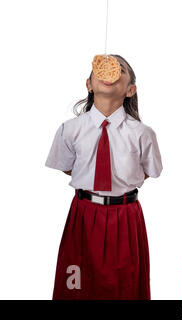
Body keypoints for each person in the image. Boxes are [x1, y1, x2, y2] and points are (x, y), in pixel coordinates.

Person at [46, 54, 162, 299]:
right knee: (76, 280)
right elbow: (69, 167)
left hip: (125, 215)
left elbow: (149, 172)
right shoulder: (70, 129)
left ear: (130, 90)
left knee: (126, 284)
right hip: (84, 213)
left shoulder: (142, 133)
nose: (109, 73)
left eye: (119, 69)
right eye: (101, 69)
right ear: (89, 84)